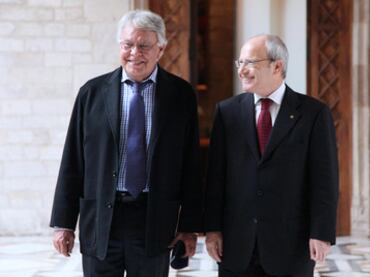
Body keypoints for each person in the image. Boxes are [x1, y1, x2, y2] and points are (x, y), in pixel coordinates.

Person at [50, 9, 203, 277]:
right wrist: (63, 223)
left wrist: (188, 226)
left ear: (161, 49)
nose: (135, 53)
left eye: (144, 45)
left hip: (154, 220)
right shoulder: (92, 93)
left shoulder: (181, 96)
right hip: (100, 218)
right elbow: (72, 160)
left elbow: (191, 165)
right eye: (128, 45)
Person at [204, 34, 339, 277]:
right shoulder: (227, 112)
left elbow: (324, 180)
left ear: (277, 66)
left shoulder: (313, 114)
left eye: (250, 63)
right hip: (236, 246)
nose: (242, 70)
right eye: (240, 63)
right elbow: (216, 178)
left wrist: (321, 232)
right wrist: (212, 230)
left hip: (291, 246)